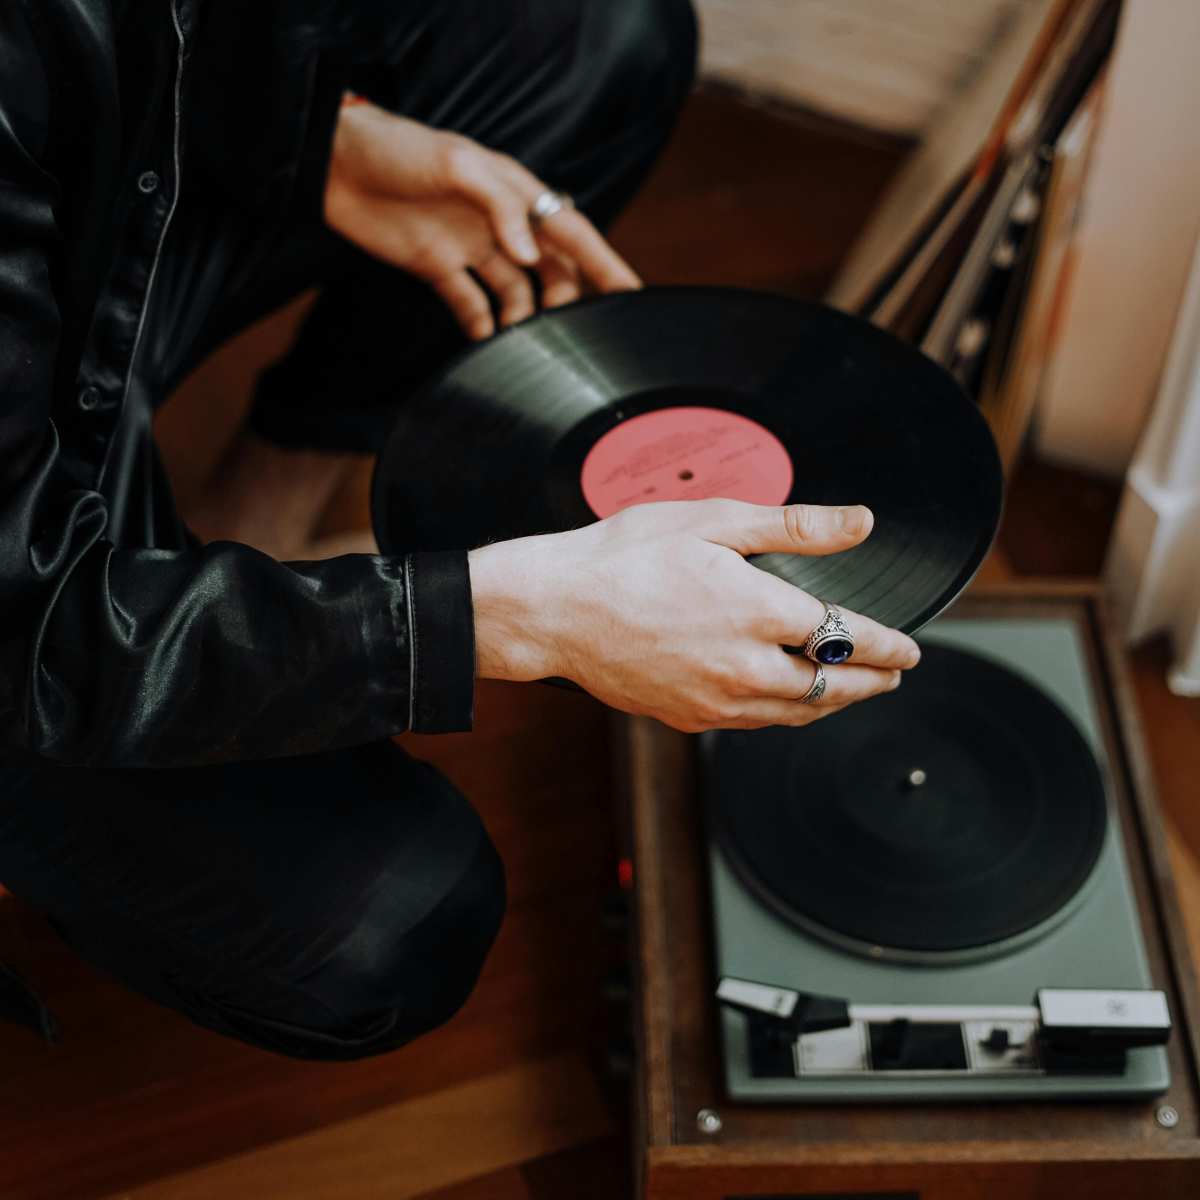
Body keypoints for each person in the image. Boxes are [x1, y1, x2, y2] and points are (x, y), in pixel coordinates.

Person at [0, 0, 920, 1060]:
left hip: (70, 268)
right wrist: (502, 618)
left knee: (597, 39)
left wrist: (318, 139)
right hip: (23, 617)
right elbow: (33, 631)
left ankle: (249, 520)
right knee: (390, 923)